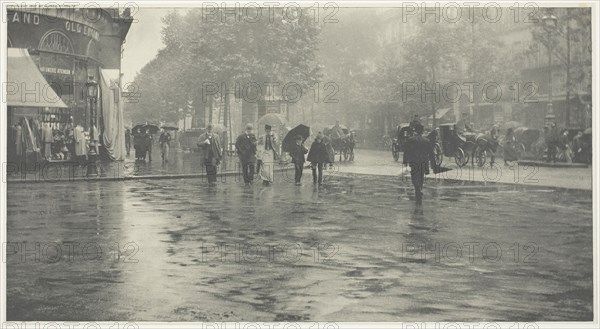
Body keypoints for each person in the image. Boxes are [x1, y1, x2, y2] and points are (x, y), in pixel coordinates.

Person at [403, 123, 433, 205]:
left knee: (414, 176)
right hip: (423, 161)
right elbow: (431, 153)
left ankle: (417, 188)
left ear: (415, 131)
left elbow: (406, 151)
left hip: (414, 161)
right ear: (422, 131)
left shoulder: (410, 140)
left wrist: (405, 161)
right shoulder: (426, 141)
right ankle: (419, 188)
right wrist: (433, 164)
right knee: (421, 176)